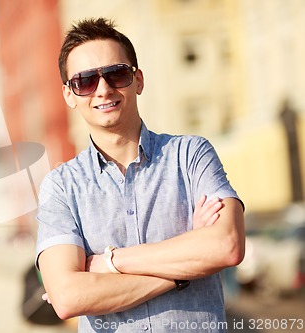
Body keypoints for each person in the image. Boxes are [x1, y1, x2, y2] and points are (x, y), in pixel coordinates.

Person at [35, 17, 245, 333]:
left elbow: (227, 245)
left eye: (116, 74)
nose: (103, 90)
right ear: (69, 95)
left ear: (139, 80)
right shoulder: (61, 187)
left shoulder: (190, 155)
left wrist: (110, 263)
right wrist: (183, 271)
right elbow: (67, 297)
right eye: (85, 81)